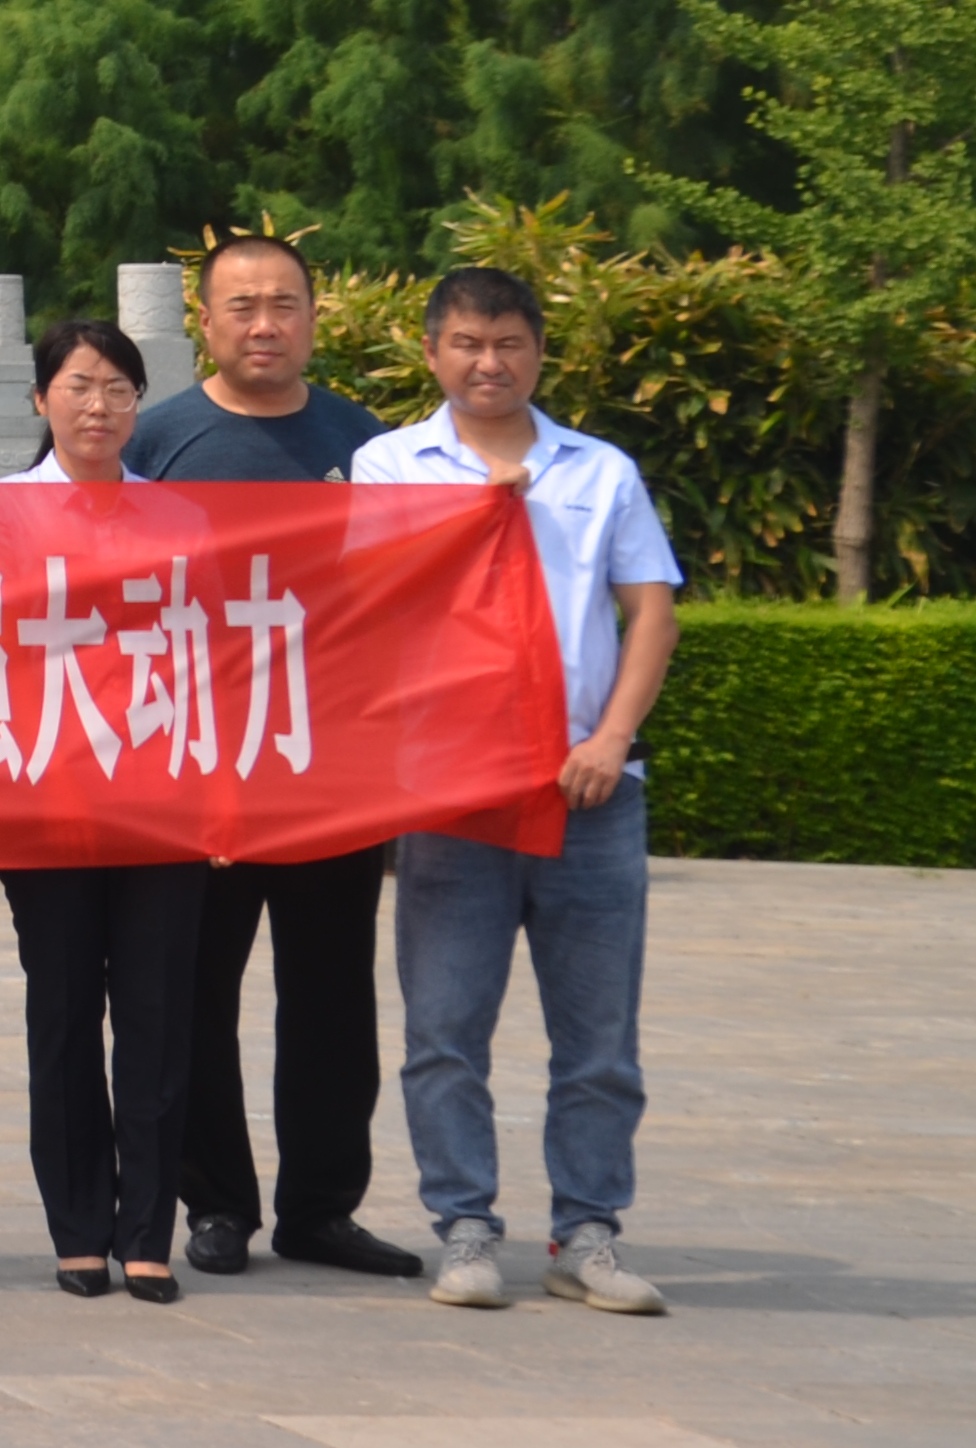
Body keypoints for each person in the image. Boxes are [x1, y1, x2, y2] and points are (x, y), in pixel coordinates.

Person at [355, 264, 682, 1316]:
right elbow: (356, 606)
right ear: (430, 353)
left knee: (597, 1039)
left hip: (587, 791)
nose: (485, 362)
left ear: (538, 352)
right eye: (464, 342)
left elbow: (649, 612)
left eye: (506, 343)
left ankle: (584, 1230)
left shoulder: (599, 470)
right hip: (453, 794)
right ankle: (462, 1225)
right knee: (443, 1029)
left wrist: (611, 735)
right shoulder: (388, 463)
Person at [125, 232, 421, 1283]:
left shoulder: (367, 445)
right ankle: (215, 1205)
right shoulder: (155, 438)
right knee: (195, 997)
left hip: (329, 771)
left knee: (332, 999)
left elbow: (412, 597)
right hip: (192, 771)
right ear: (203, 320)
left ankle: (320, 1208)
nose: (262, 324)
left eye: (282, 304)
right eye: (240, 305)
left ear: (312, 317)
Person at [0, 319, 209, 1302]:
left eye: (118, 388)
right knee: (62, 1016)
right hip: (45, 805)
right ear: (41, 398)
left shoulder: (178, 518)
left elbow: (213, 664)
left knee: (157, 1020)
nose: (98, 406)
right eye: (78, 386)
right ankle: (76, 1224)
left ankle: (145, 1230)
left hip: (159, 805)